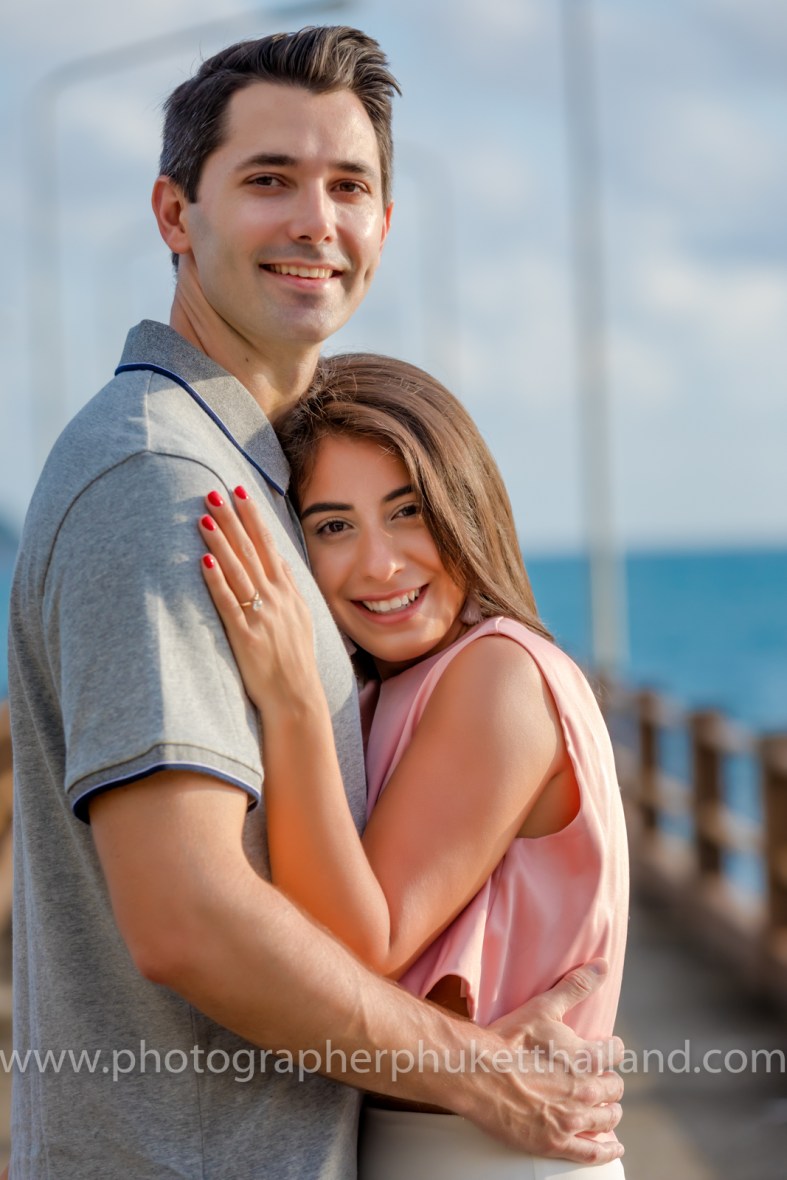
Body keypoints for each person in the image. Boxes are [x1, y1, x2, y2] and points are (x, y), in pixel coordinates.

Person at [6, 26, 624, 1179]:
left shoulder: (251, 477)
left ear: (384, 224)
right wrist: (485, 1072)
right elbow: (188, 913)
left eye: (349, 186)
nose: (314, 221)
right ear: (174, 215)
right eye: (268, 180)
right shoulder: (163, 484)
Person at [196, 352, 630, 1178]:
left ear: (464, 508)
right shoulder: (385, 695)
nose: (379, 564)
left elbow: (356, 953)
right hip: (421, 1142)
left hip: (496, 1155)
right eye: (332, 526)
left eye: (407, 512)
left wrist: (290, 700)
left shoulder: (499, 673)